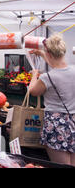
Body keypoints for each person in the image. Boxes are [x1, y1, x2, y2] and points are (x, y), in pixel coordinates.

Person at [29, 33, 75, 166]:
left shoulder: (47, 78)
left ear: (49, 52)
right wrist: (43, 54)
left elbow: (33, 91)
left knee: (60, 165)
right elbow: (58, 67)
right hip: (73, 121)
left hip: (56, 125)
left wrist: (34, 75)